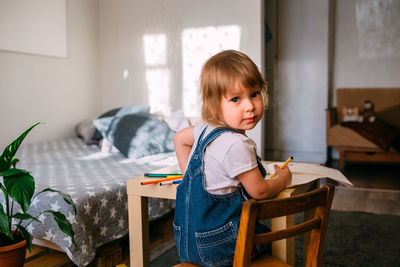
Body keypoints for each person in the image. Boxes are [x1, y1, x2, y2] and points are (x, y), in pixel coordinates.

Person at [173, 50, 292, 267]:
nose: (249, 106)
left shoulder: (203, 130)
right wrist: (283, 179)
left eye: (254, 94)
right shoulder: (237, 144)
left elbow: (179, 138)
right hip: (219, 248)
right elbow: (260, 191)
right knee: (268, 239)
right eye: (236, 99)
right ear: (214, 105)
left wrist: (188, 178)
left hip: (185, 244)